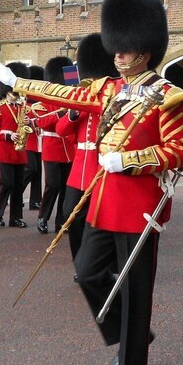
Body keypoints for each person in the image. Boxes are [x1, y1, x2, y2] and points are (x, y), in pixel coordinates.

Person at [0, 0, 183, 365]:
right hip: (104, 202)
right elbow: (64, 93)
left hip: (139, 208)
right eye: (115, 47)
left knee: (137, 291)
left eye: (125, 48)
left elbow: (179, 151)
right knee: (87, 272)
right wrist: (18, 83)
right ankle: (133, 333)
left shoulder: (170, 98)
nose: (117, 54)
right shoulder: (106, 90)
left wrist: (131, 160)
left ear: (146, 49)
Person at [56, 32, 118, 262]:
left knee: (103, 217)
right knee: (70, 213)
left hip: (102, 166)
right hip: (80, 167)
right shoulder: (81, 95)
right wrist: (72, 114)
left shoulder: (113, 96)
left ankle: (104, 261)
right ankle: (80, 260)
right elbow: (62, 130)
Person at [34, 56, 75, 234]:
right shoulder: (43, 102)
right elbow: (41, 122)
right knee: (52, 184)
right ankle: (43, 217)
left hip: (68, 148)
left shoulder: (70, 97)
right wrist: (61, 114)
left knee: (66, 187)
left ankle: (61, 221)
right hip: (52, 147)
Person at [0, 61, 30, 228]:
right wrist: (7, 135)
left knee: (18, 186)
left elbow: (28, 125)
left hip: (19, 152)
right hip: (5, 151)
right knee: (6, 184)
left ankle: (15, 217)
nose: (15, 94)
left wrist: (29, 123)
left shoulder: (22, 108)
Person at [21, 64, 44, 211]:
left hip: (39, 141)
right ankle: (16, 192)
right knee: (31, 168)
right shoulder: (25, 104)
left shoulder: (39, 103)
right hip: (29, 141)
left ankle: (35, 200)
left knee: (37, 172)